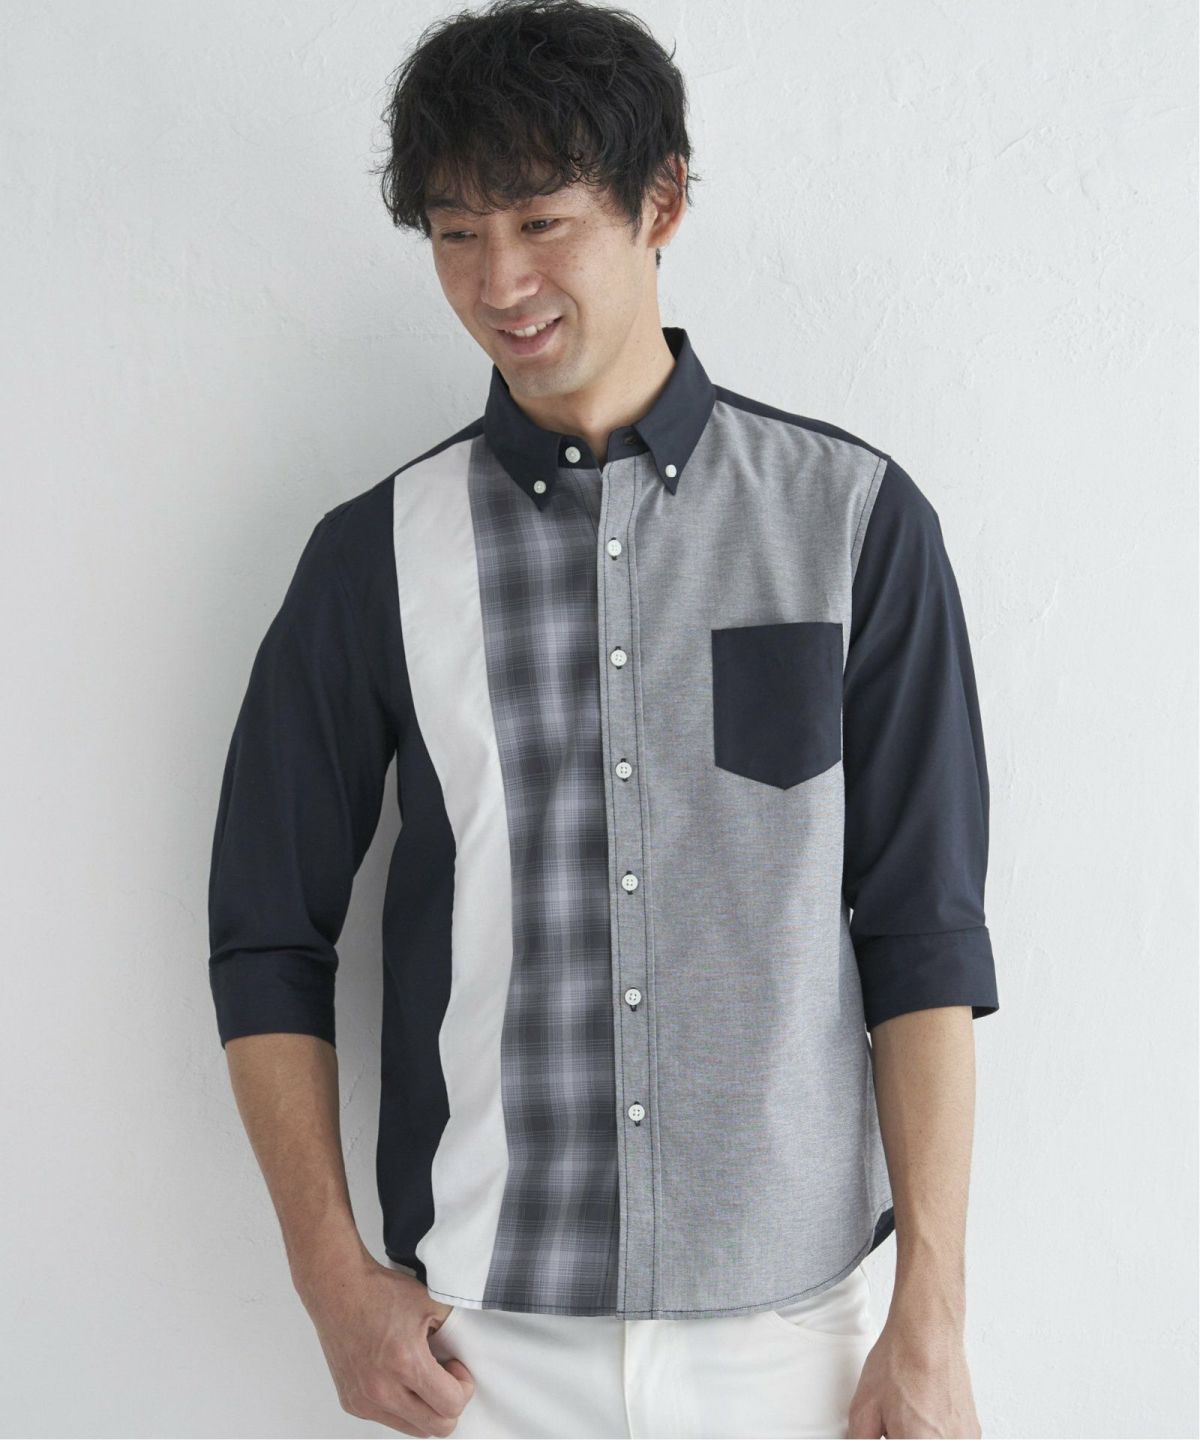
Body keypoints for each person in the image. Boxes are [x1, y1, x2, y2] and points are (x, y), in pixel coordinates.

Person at [206, 1, 1000, 1435]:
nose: (498, 280)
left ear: (662, 203)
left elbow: (923, 934)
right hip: (481, 1347)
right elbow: (267, 933)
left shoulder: (854, 525)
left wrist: (929, 1317)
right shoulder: (372, 556)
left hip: (799, 1334)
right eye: (455, 233)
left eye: (541, 222)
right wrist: (331, 1280)